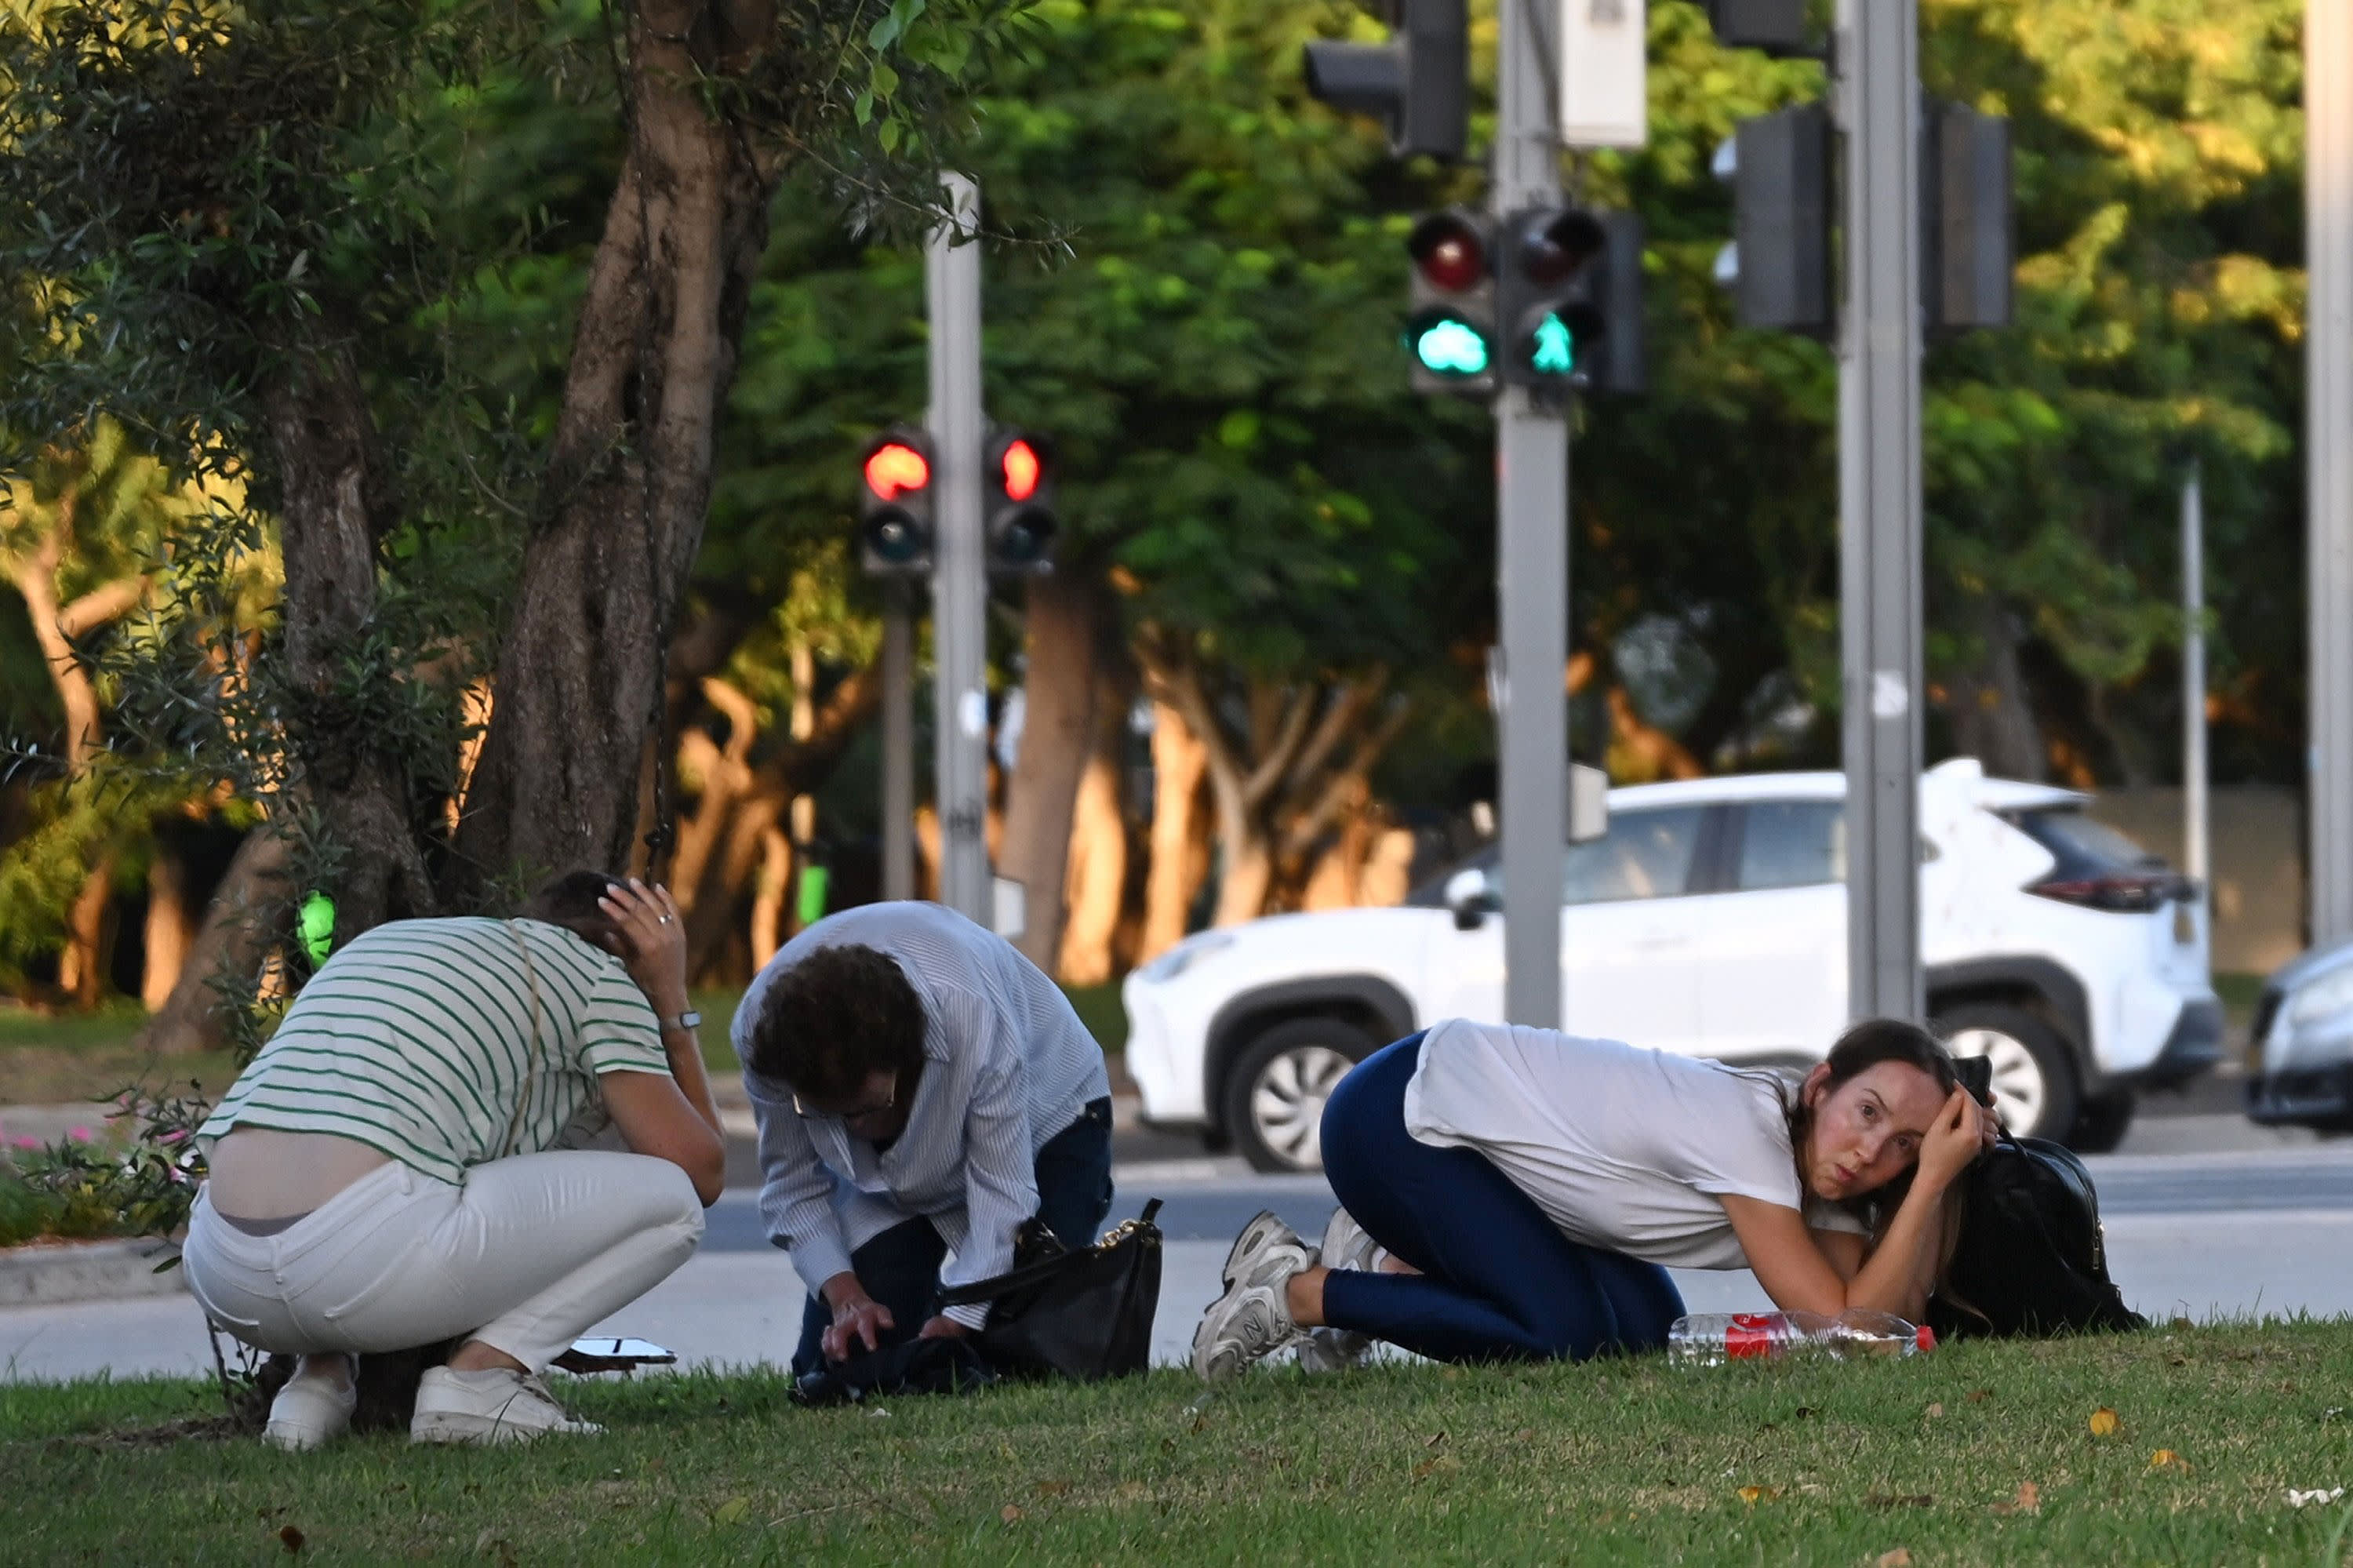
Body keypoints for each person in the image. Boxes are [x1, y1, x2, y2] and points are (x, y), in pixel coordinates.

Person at [180, 875, 726, 1448]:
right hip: (353, 1266)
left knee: (381, 1144)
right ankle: (480, 1380)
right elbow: (699, 1171)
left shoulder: (379, 946)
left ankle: (315, 1384)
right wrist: (670, 1000)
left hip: (222, 1266)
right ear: (626, 947)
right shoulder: (600, 977)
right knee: (673, 1204)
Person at [1191, 1016, 1987, 1379]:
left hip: (1482, 1160)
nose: (1869, 1152)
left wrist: (1934, 1183)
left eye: (1904, 1149)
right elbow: (1839, 1326)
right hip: (1395, 1117)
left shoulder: (1838, 1176)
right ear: (1821, 1086)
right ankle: (1299, 1290)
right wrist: (1932, 1175)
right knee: (1563, 1334)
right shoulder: (1750, 1129)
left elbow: (1879, 1325)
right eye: (1868, 1113)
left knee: (1642, 1338)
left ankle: (1389, 1260)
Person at [733, 900, 1113, 1377]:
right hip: (894, 1185)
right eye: (826, 1115)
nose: (850, 1131)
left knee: (1027, 1354)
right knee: (836, 1369)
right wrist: (847, 1297)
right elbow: (792, 1186)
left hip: (1051, 1111)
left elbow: (1003, 1189)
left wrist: (960, 1318)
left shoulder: (968, 1013)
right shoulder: (761, 1035)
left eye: (864, 1109)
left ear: (907, 1059)